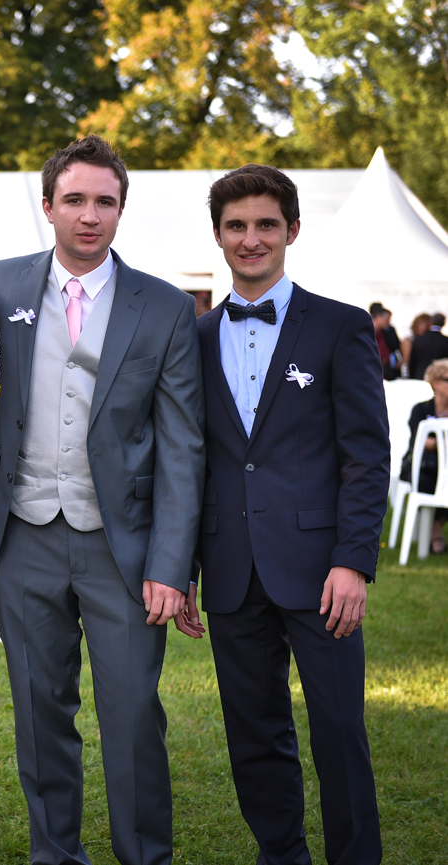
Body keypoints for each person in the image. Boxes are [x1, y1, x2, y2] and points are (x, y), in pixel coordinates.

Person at [0, 134, 205, 865]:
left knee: (133, 713)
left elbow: (183, 446)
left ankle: (145, 855)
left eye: (104, 201)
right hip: (23, 533)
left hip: (124, 543)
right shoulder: (0, 285)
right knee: (40, 712)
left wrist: (172, 565)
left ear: (120, 209)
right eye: (74, 199)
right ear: (48, 206)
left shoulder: (165, 306)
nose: (89, 215)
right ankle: (56, 855)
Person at [194, 164, 387, 864]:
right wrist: (182, 565)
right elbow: (188, 459)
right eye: (237, 226)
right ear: (219, 235)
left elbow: (366, 453)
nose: (251, 239)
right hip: (230, 566)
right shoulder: (194, 335)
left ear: (292, 231)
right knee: (254, 733)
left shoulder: (339, 325)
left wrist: (352, 561)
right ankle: (281, 855)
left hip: (320, 569)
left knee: (339, 729)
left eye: (266, 225)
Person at [399, 358, 448, 553]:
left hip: (444, 468)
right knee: (427, 482)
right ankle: (435, 533)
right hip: (421, 467)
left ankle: (434, 528)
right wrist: (441, 443)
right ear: (435, 383)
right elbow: (420, 441)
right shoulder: (421, 409)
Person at [408, 312, 448, 381]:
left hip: (419, 376)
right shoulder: (445, 341)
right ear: (444, 323)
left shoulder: (418, 340)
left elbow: (412, 362)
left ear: (431, 322)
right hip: (439, 379)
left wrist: (411, 377)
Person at [369, 303, 401, 381]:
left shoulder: (382, 333)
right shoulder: (369, 332)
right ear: (379, 317)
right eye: (387, 320)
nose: (388, 323)